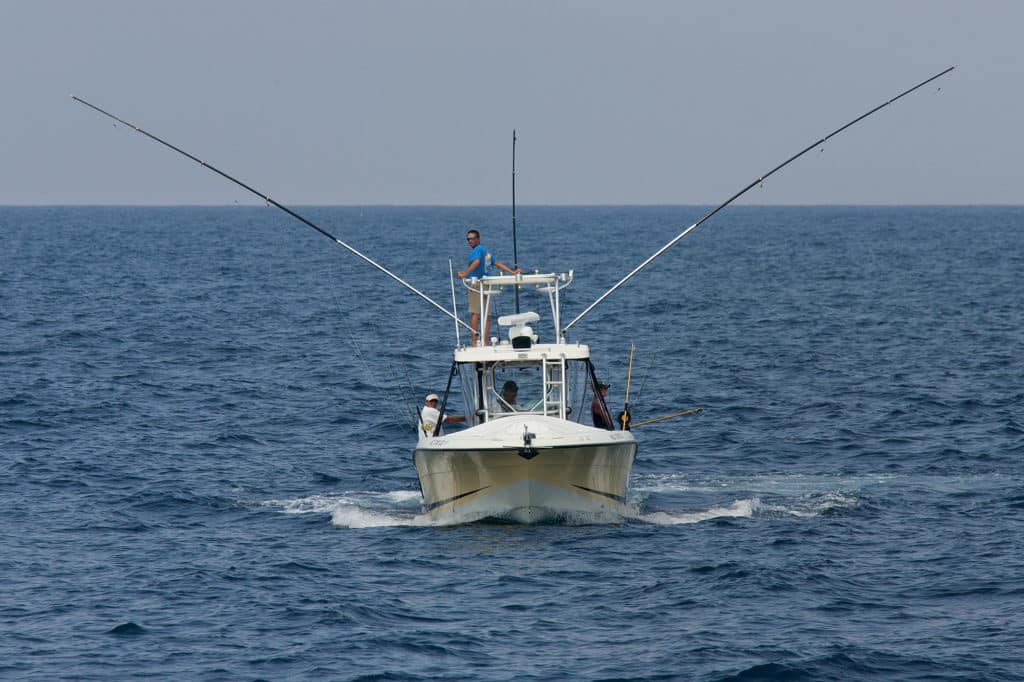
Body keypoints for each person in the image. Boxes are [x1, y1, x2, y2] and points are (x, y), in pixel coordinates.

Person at [456, 228, 521, 346]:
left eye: (472, 238)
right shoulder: (485, 251)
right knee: (486, 314)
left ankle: (474, 343)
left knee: (475, 313)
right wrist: (512, 272)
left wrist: (464, 274)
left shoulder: (477, 250)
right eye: (468, 239)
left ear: (478, 239)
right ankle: (485, 342)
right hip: (487, 283)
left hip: (476, 284)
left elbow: (476, 262)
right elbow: (497, 263)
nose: (469, 241)